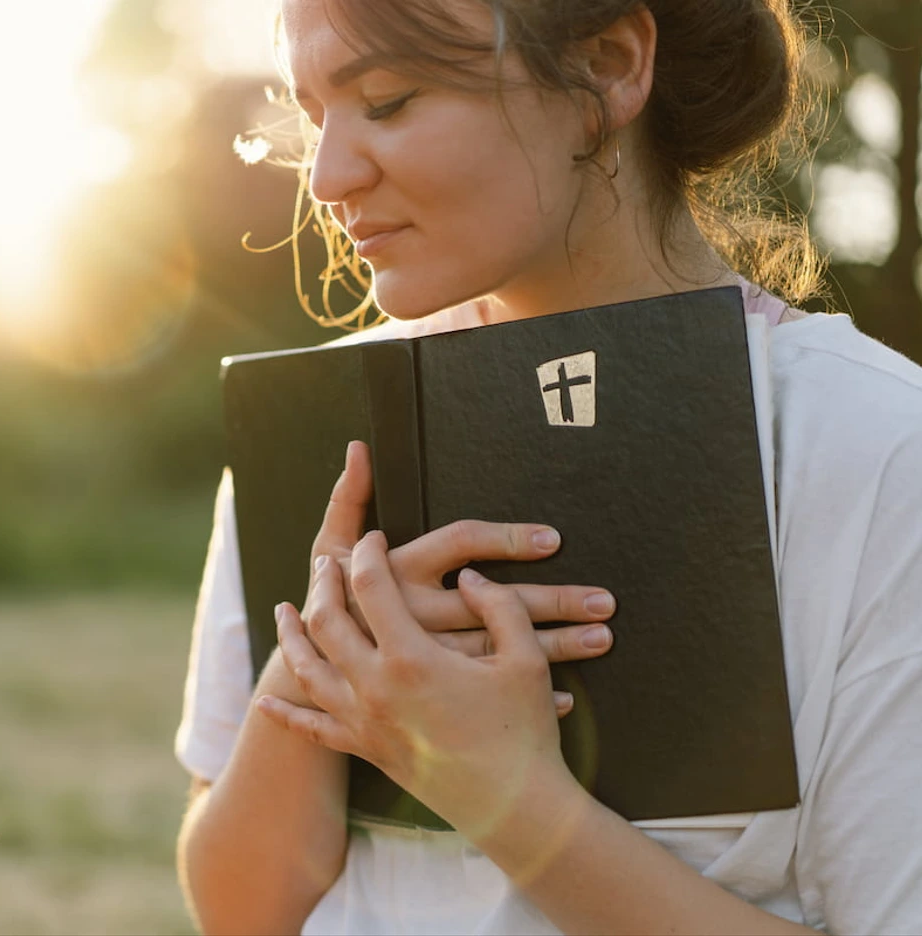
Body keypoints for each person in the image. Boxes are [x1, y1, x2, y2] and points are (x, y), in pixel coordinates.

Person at [175, 0, 922, 933]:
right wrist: (315, 670)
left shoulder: (876, 449)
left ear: (608, 66)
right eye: (313, 114)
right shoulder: (314, 424)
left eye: (388, 99)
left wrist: (502, 795)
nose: (326, 178)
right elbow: (239, 911)